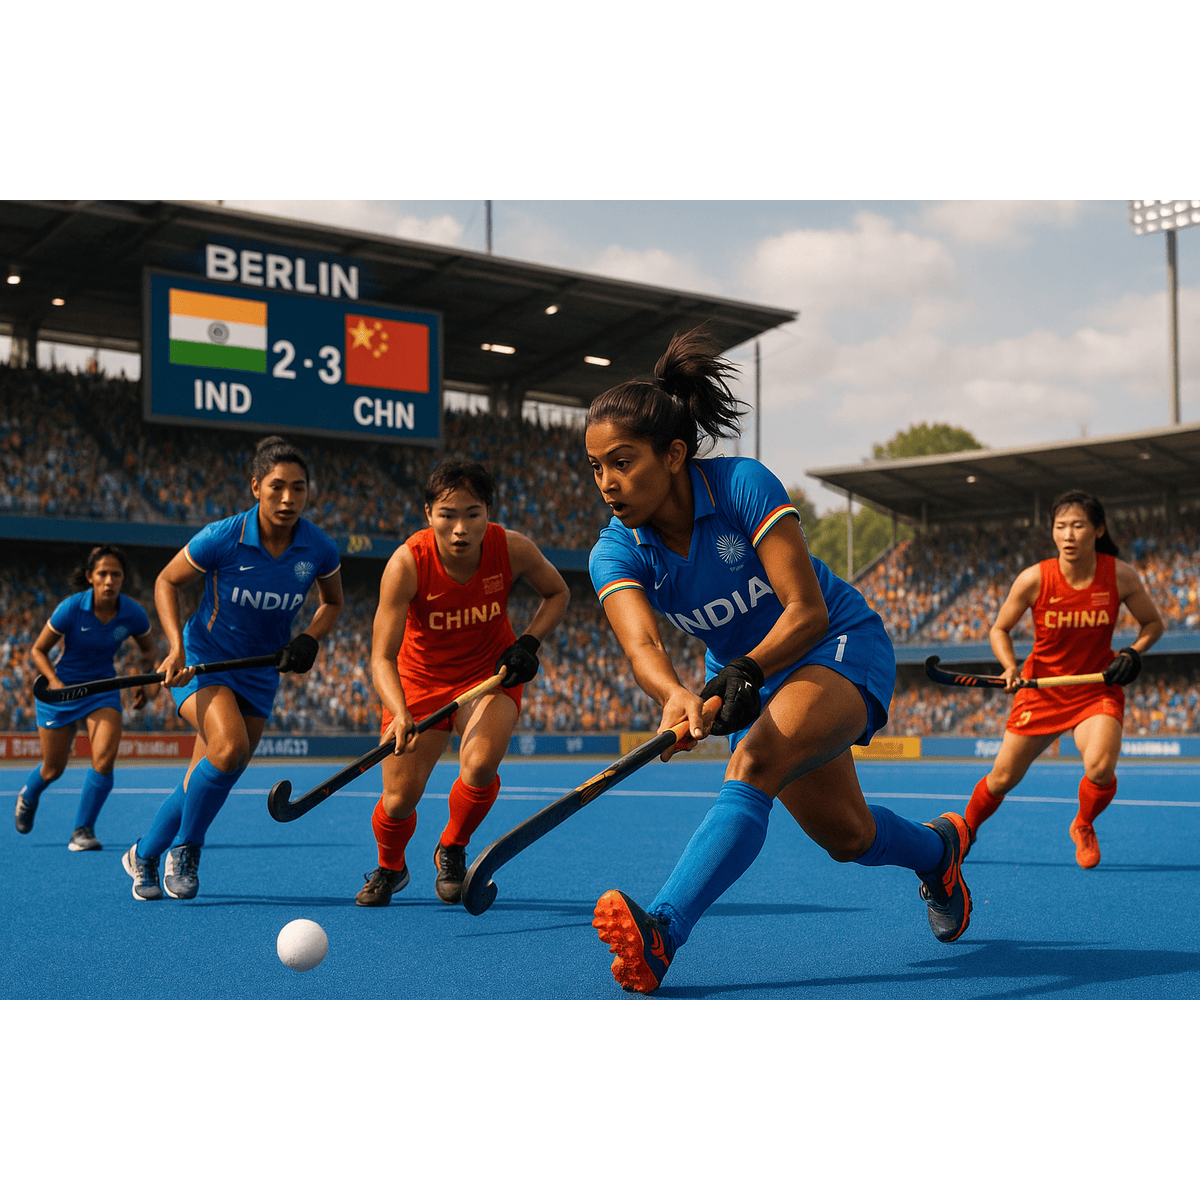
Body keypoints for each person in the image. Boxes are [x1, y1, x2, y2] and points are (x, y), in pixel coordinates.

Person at [585, 326, 973, 994]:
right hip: (751, 673)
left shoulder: (742, 485)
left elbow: (806, 610)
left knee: (753, 762)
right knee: (848, 837)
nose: (608, 484)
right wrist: (675, 695)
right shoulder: (614, 551)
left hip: (836, 644)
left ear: (674, 454)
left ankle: (662, 935)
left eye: (622, 463)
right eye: (596, 468)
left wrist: (744, 673)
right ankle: (940, 852)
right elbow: (643, 646)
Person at [121, 436, 343, 901]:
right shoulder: (223, 536)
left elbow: (333, 602)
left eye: (298, 488)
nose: (288, 498)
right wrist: (174, 649)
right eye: (277, 487)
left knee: (216, 769)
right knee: (227, 749)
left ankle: (143, 853)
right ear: (256, 487)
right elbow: (166, 580)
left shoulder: (318, 548)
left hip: (262, 673)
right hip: (204, 661)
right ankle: (187, 848)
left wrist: (309, 638)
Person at [356, 459, 569, 907]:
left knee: (479, 765)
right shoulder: (407, 564)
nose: (460, 528)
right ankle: (390, 868)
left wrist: (528, 643)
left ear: (488, 512)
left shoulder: (511, 548)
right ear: (428, 514)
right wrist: (399, 712)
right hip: (419, 683)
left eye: (472, 513)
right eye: (447, 515)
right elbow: (381, 657)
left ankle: (451, 847)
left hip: (490, 677)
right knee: (398, 799)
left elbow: (558, 592)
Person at [965, 490, 1163, 868]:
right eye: (1060, 527)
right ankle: (965, 830)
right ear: (1053, 533)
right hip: (1041, 692)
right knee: (1002, 778)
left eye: (1077, 526)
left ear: (1098, 530)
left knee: (1101, 768)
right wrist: (1009, 667)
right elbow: (999, 629)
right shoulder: (1034, 579)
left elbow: (1154, 624)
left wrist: (1133, 651)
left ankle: (1083, 823)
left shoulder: (1120, 575)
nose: (1068, 535)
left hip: (1095, 689)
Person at [16, 545, 159, 851]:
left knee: (104, 760)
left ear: (123, 578)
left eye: (115, 574)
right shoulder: (71, 608)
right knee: (53, 768)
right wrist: (54, 682)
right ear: (90, 577)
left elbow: (149, 651)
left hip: (103, 690)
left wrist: (142, 677)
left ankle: (83, 830)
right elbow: (38, 651)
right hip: (61, 692)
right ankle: (29, 795)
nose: (109, 581)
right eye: (103, 574)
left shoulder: (133, 613)